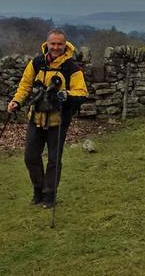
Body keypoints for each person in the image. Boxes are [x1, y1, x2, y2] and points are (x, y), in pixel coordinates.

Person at [8, 29, 88, 209]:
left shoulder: (71, 67)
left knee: (54, 159)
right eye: (53, 43)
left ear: (65, 45)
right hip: (35, 117)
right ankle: (38, 189)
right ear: (47, 43)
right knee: (30, 156)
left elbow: (82, 92)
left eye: (60, 44)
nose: (56, 47)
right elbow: (25, 85)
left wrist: (65, 95)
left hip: (58, 120)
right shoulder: (37, 62)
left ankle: (49, 194)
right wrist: (16, 102)